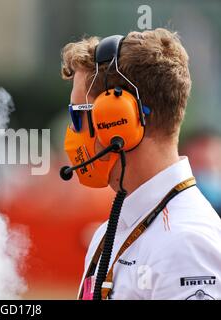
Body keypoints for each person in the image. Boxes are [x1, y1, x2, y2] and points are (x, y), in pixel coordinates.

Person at [60, 28, 221, 300]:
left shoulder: (184, 243)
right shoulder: (116, 229)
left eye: (77, 115)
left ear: (118, 120)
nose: (71, 131)